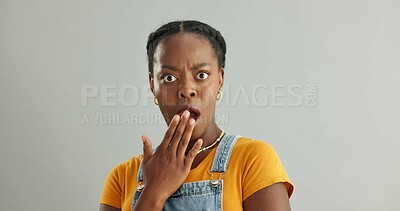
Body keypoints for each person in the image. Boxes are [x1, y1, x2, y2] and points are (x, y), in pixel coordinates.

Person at [99, 20, 294, 211]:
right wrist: (153, 192)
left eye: (201, 75)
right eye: (169, 78)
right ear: (152, 85)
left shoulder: (253, 160)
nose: (186, 90)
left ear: (220, 79)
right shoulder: (121, 177)